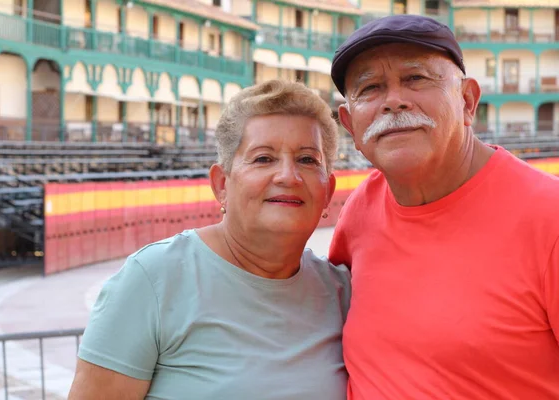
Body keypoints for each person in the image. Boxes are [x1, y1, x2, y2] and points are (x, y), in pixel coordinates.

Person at [68, 80, 351, 400]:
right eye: (263, 158)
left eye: (307, 159)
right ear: (221, 184)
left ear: (327, 191)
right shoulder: (154, 280)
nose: (288, 176)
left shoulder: (341, 293)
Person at [329, 14, 559, 400]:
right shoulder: (359, 211)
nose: (393, 101)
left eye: (416, 78)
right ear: (350, 126)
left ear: (467, 101)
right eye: (370, 88)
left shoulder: (548, 216)